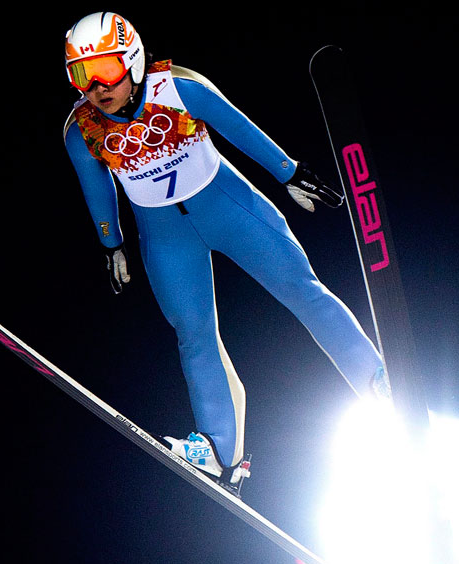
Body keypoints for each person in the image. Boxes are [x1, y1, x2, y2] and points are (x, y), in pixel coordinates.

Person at [63, 11, 385, 485]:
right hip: (165, 236)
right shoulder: (81, 130)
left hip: (230, 208)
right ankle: (219, 450)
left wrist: (289, 172)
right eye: (81, 75)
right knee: (193, 334)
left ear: (132, 59)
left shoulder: (177, 88)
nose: (95, 87)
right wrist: (112, 245)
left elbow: (237, 127)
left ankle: (378, 380)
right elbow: (96, 189)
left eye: (105, 70)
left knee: (302, 289)